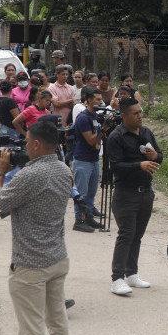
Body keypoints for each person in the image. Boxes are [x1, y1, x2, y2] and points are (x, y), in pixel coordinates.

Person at [0, 119, 75, 335]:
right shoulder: (65, 170)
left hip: (30, 263)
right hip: (57, 257)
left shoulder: (31, 175)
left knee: (32, 328)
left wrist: (0, 171)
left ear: (37, 144)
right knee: (57, 321)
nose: (25, 146)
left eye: (27, 142)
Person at [105, 98, 161, 297]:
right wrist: (139, 165)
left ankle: (132, 273)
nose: (140, 116)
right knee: (126, 234)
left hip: (145, 192)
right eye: (135, 113)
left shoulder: (146, 133)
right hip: (125, 194)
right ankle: (117, 278)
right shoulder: (116, 136)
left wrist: (155, 157)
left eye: (141, 112)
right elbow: (116, 166)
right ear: (124, 116)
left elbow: (159, 156)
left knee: (137, 235)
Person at [70, 87, 102, 233]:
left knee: (91, 192)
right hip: (83, 160)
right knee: (81, 193)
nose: (101, 102)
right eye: (98, 99)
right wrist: (103, 130)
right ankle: (79, 220)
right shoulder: (83, 118)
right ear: (89, 100)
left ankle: (88, 216)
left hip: (94, 159)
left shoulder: (96, 116)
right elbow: (90, 140)